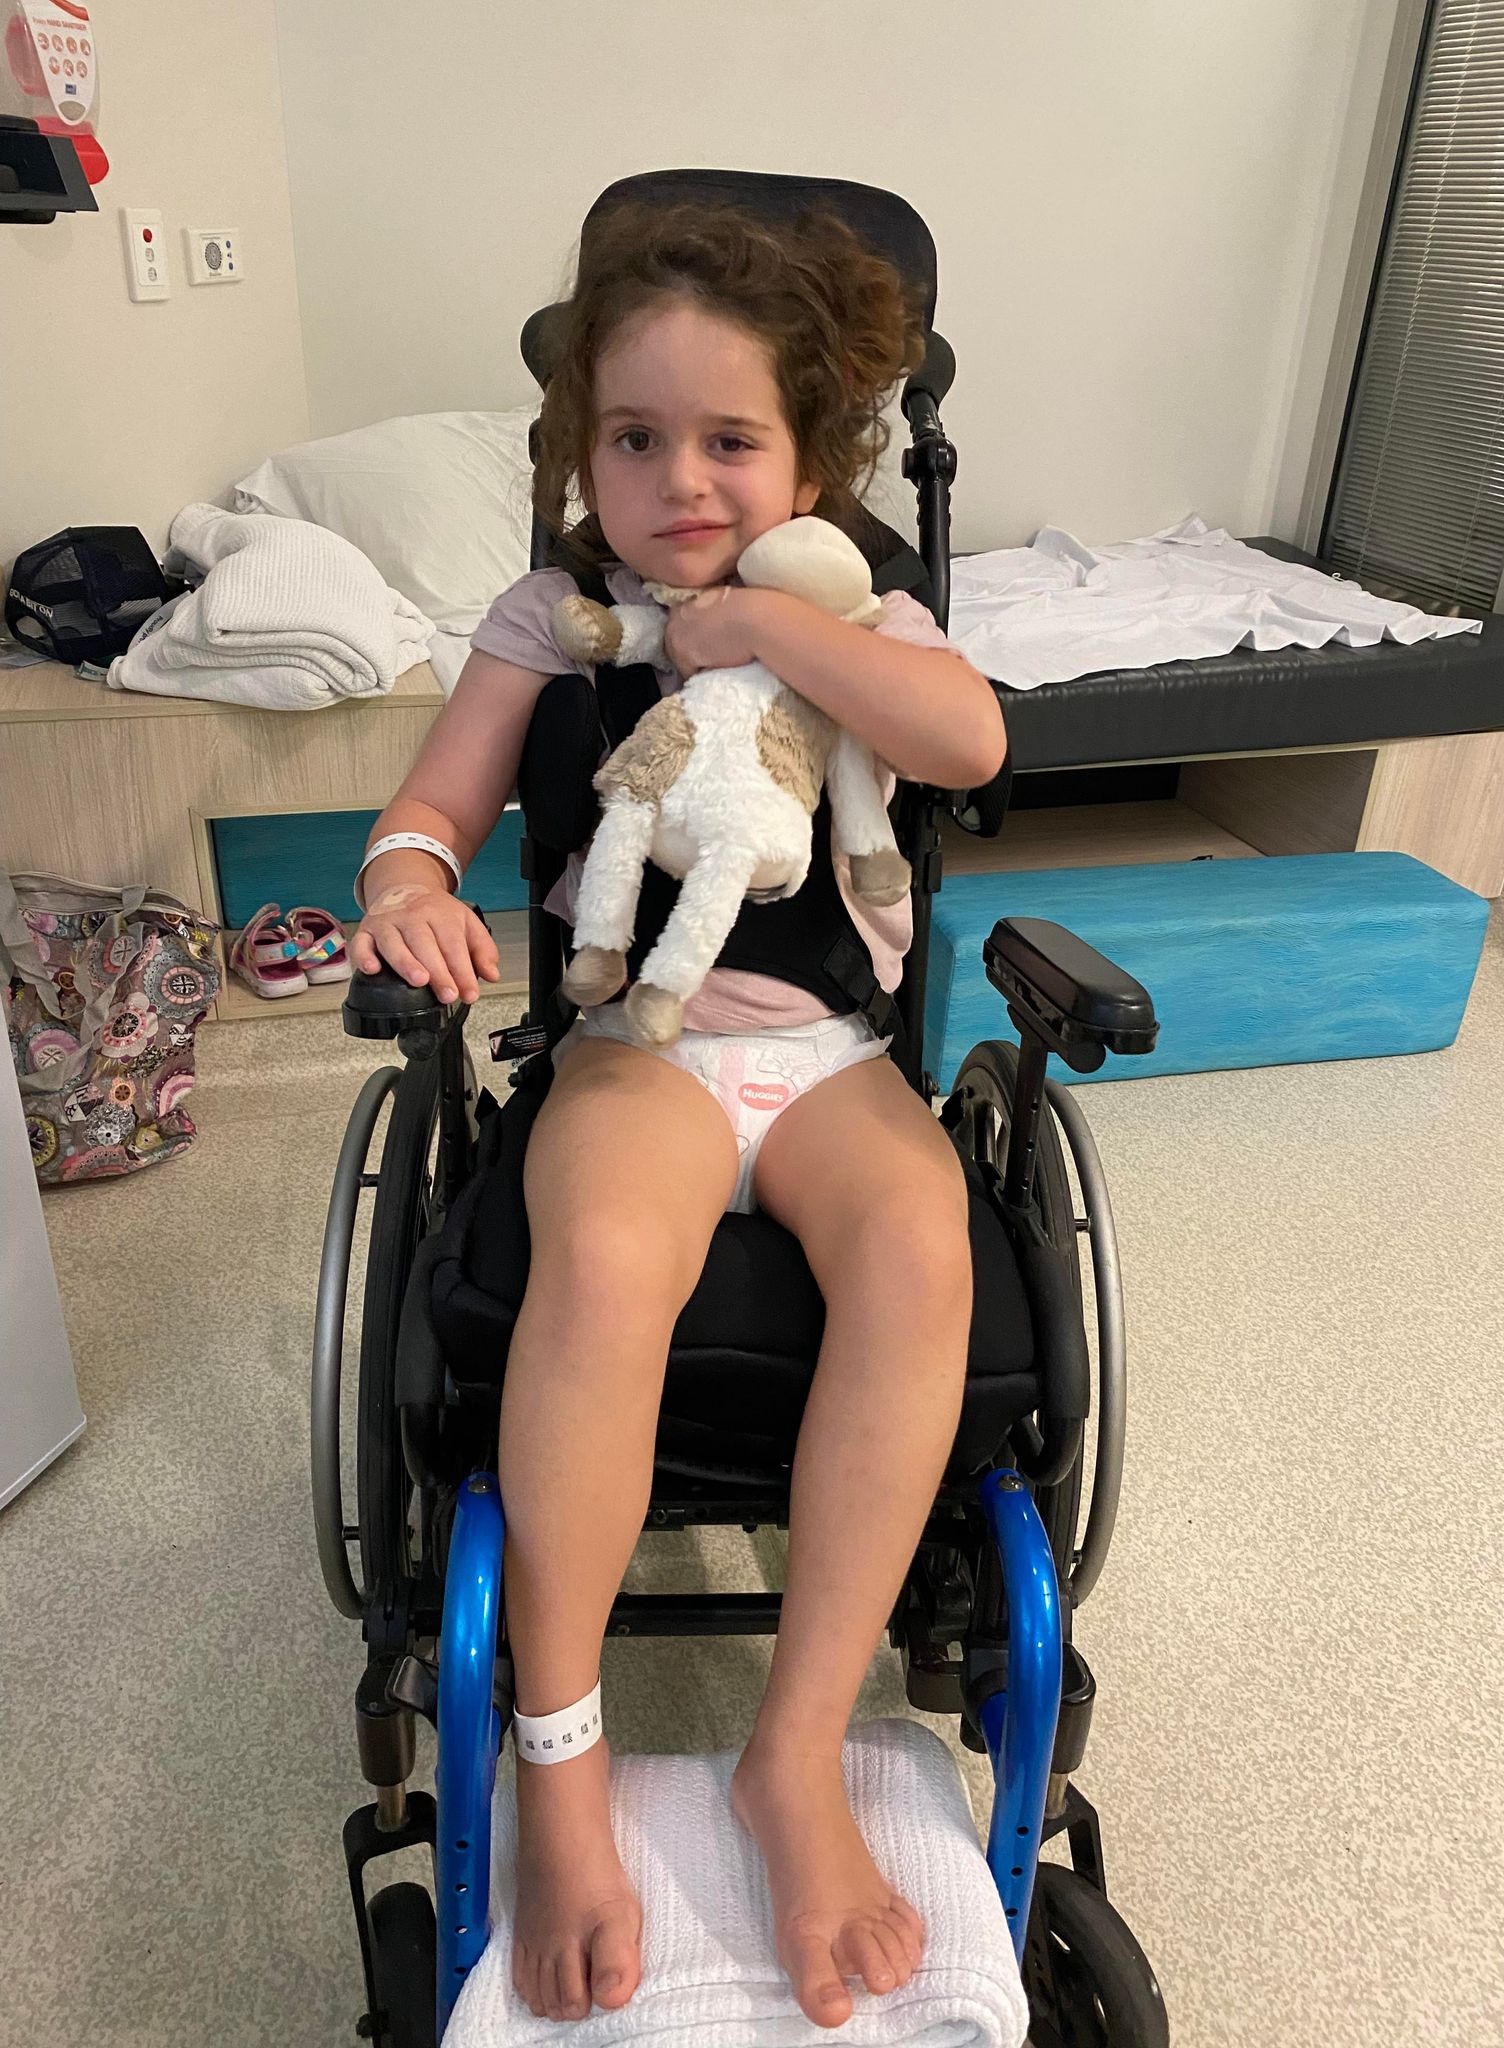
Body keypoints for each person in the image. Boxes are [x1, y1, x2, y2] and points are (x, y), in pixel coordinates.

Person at [350, 202, 1008, 2030]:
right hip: (634, 1048)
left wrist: (763, 626)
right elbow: (430, 808)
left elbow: (967, 745)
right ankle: (560, 1765)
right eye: (633, 438)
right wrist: (408, 882)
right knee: (606, 1258)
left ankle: (795, 1754)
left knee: (920, 1249)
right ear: (582, 448)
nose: (679, 480)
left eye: (731, 441)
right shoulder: (546, 623)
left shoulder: (860, 614)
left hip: (829, 1053)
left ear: (809, 462)